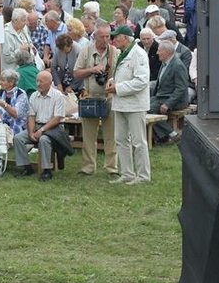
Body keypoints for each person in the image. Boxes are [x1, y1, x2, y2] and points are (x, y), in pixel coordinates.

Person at [105, 25, 151, 184]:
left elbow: (141, 81)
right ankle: (127, 173)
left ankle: (143, 176)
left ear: (126, 38)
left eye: (117, 37)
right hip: (120, 103)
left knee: (138, 141)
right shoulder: (123, 53)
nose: (114, 40)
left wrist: (118, 88)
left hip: (135, 104)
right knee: (120, 139)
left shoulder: (139, 54)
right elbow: (123, 75)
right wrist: (113, 82)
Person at [72, 21, 118, 176]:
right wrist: (93, 70)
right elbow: (76, 73)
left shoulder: (114, 52)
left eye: (108, 36)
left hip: (109, 97)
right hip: (90, 96)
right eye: (102, 36)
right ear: (95, 36)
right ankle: (88, 167)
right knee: (89, 135)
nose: (105, 39)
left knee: (111, 135)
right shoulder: (86, 51)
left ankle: (112, 167)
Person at [13, 70, 68, 181]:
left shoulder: (58, 96)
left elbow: (57, 118)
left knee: (44, 139)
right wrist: (31, 131)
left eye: (41, 81)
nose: (38, 84)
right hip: (38, 125)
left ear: (49, 82)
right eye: (37, 81)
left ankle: (47, 170)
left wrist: (41, 130)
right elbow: (31, 116)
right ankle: (27, 167)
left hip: (55, 128)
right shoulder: (34, 95)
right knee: (18, 138)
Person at [149, 40, 190, 144]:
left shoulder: (178, 65)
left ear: (167, 52)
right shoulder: (165, 63)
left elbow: (181, 88)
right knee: (142, 105)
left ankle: (172, 134)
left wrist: (168, 104)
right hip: (162, 97)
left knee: (148, 110)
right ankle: (163, 137)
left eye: (159, 50)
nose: (157, 53)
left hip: (175, 100)